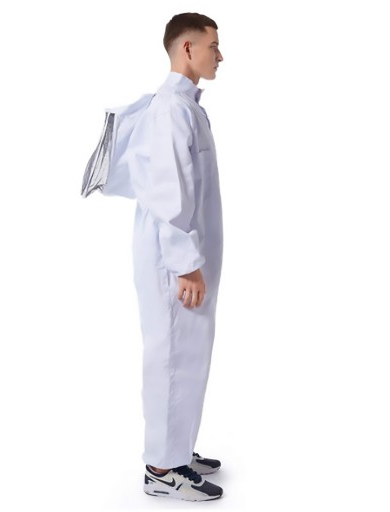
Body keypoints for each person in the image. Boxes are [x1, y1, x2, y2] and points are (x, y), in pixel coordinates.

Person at [127, 12, 225, 501]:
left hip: (187, 256)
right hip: (175, 261)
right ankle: (162, 469)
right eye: (213, 46)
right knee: (171, 355)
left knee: (189, 353)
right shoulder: (170, 109)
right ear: (187, 48)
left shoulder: (186, 107)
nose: (220, 56)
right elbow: (170, 193)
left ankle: (178, 448)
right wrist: (186, 263)